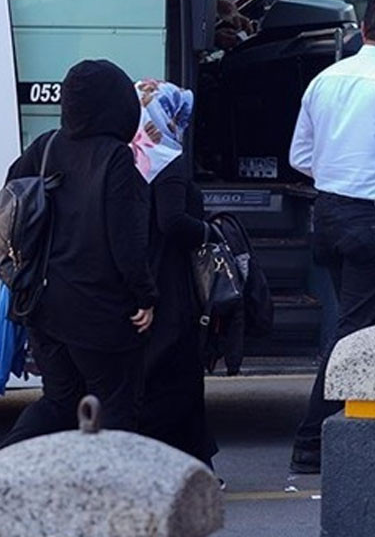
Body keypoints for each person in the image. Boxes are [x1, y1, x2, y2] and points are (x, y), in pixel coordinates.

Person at [287, 0, 375, 473]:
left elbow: (299, 157)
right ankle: (315, 438)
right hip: (374, 217)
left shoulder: (323, 81)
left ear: (363, 30)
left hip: (326, 212)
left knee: (343, 325)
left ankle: (346, 430)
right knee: (357, 332)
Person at [1, 60, 157, 447]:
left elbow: (12, 203)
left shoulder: (46, 145)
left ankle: (7, 469)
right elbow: (126, 238)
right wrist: (144, 296)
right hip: (98, 310)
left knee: (59, 401)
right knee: (117, 407)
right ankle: (115, 498)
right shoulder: (116, 158)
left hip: (41, 303)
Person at [133, 80, 218, 468]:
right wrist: (206, 231)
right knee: (177, 378)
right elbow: (172, 222)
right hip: (170, 283)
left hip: (146, 275)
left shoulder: (135, 155)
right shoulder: (166, 159)